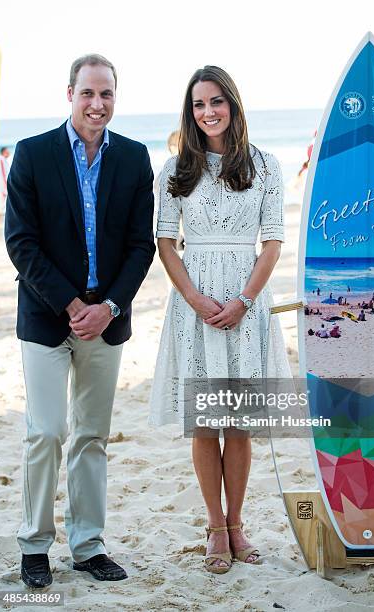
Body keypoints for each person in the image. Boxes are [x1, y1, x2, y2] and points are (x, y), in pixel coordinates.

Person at [4, 54, 155, 588]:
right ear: (69, 93)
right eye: (88, 93)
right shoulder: (32, 154)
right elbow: (20, 243)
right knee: (45, 432)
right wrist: (72, 306)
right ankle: (34, 546)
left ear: (116, 97)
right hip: (47, 318)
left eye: (106, 94)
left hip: (107, 319)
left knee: (91, 436)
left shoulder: (135, 159)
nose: (97, 104)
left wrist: (108, 307)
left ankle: (88, 545)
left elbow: (141, 247)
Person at [148, 65, 290, 574]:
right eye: (198, 105)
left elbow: (272, 243)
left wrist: (244, 300)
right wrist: (193, 297)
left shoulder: (266, 166)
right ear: (190, 113)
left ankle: (237, 524)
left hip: (246, 302)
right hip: (195, 304)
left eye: (216, 102)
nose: (207, 112)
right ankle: (213, 527)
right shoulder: (173, 170)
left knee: (240, 423)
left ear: (233, 103)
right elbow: (165, 243)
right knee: (206, 422)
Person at [0, 146, 11, 227]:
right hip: (1, 190)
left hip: (0, 189)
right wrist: (6, 189)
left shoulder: (2, 160)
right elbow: (4, 175)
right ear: (4, 151)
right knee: (0, 207)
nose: (9, 152)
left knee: (0, 207)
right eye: (8, 151)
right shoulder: (1, 159)